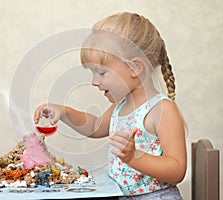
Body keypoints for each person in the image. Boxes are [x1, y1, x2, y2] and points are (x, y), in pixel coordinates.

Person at [34, 12, 186, 199]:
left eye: (101, 73)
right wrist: (64, 112)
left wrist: (134, 157)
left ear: (134, 68)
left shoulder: (161, 109)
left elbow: (177, 169)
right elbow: (95, 126)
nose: (94, 82)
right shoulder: (121, 105)